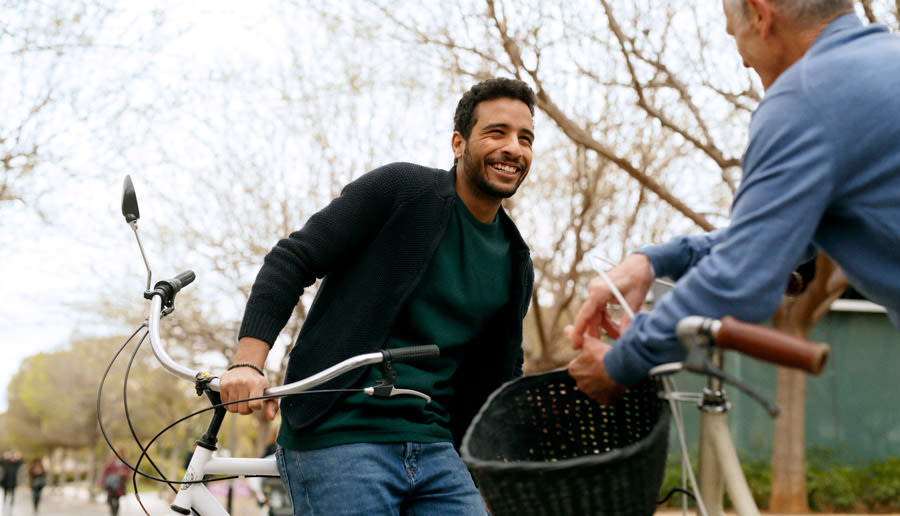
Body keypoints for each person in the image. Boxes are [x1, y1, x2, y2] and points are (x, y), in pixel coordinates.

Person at [219, 77, 536, 515]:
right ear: (459, 144)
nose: (514, 148)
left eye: (526, 138)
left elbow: (501, 372)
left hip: (438, 448)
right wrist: (247, 361)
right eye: (497, 132)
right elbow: (292, 259)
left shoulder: (515, 259)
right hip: (341, 432)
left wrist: (488, 465)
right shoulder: (402, 190)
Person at [566, 0, 900, 403]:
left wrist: (620, 362)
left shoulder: (806, 99)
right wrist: (653, 262)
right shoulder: (881, 67)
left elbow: (740, 280)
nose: (742, 62)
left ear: (760, 15)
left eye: (732, 34)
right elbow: (762, 242)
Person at [99, 450, 130, 516]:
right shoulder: (111, 462)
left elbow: (128, 471)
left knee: (116, 499)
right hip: (110, 483)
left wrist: (123, 473)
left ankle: (115, 513)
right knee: (110, 499)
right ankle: (112, 511)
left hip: (119, 485)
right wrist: (101, 482)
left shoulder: (125, 462)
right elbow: (105, 471)